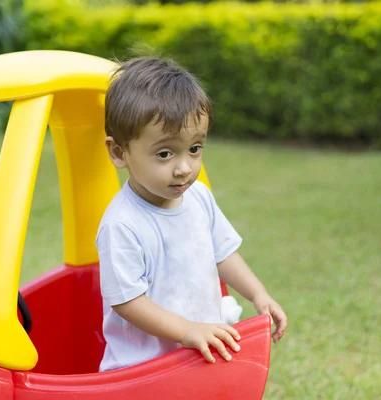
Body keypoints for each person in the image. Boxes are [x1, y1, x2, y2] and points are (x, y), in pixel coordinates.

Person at [96, 56, 287, 372]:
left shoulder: (198, 197)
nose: (184, 168)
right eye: (165, 153)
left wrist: (259, 294)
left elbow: (222, 254)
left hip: (198, 354)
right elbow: (127, 301)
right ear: (119, 152)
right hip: (142, 372)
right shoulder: (122, 224)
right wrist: (187, 330)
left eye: (195, 149)